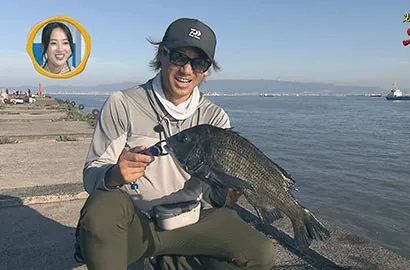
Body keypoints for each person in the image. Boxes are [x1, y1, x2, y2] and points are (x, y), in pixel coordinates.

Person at [75, 18, 275, 270]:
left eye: (199, 63)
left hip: (193, 220)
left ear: (206, 70)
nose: (187, 70)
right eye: (179, 57)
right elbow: (92, 174)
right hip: (137, 222)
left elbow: (215, 196)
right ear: (162, 54)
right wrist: (114, 175)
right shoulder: (122, 104)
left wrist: (228, 193)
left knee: (261, 253)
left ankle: (170, 260)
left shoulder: (215, 118)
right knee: (100, 209)